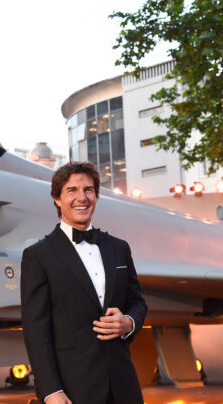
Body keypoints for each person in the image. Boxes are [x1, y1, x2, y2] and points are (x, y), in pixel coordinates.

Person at [20, 162, 147, 404]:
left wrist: (128, 322)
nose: (82, 197)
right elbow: (36, 332)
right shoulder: (38, 256)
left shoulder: (119, 248)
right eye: (72, 190)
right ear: (57, 199)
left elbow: (138, 304)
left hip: (125, 388)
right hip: (73, 391)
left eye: (89, 190)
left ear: (97, 196)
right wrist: (50, 391)